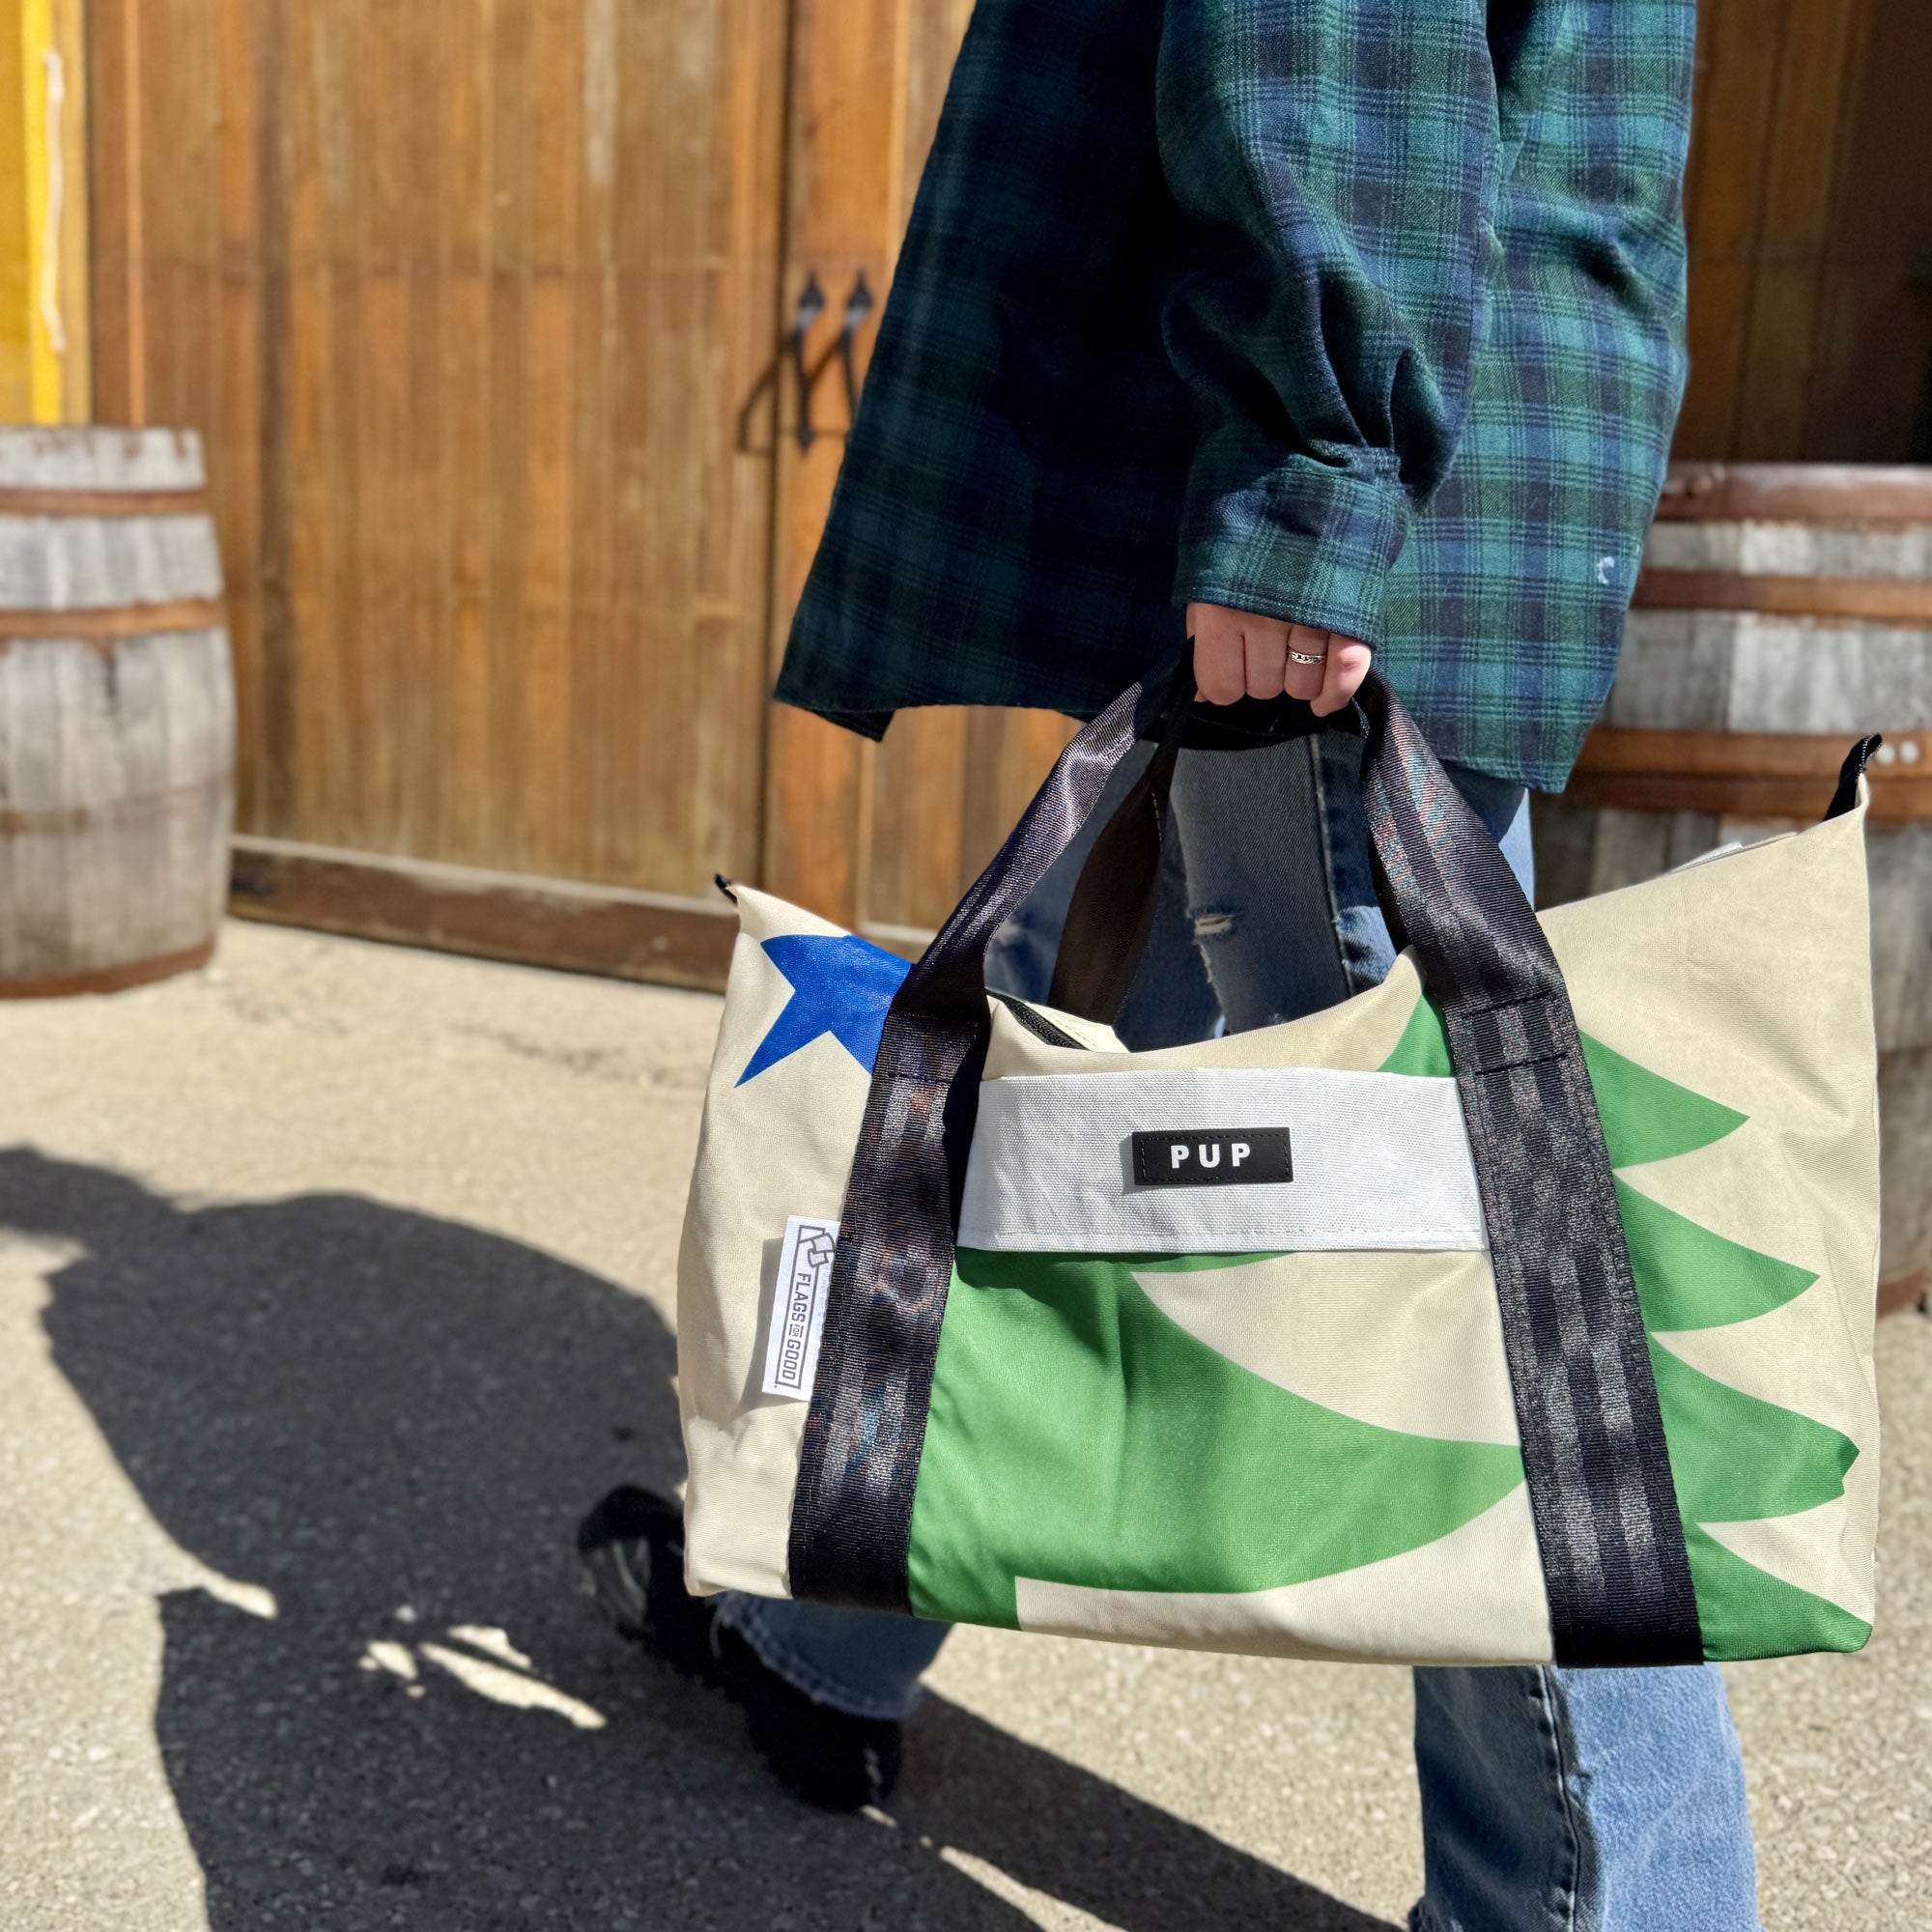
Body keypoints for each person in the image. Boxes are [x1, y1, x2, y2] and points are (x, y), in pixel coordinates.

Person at [582, 0, 1766, 1925]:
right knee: (1069, 1046)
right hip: (1379, 465)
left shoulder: (1318, 476)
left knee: (1486, 1299)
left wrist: (1309, 484)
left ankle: (1618, 1908)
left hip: (1340, 519)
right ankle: (826, 1629)